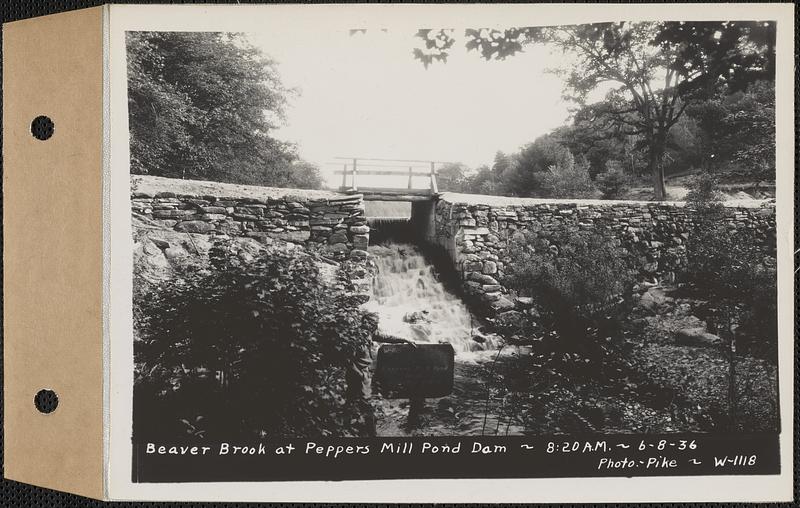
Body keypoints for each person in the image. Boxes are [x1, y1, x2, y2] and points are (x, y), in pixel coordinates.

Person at [345, 311, 415, 435]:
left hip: (361, 373)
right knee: (366, 402)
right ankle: (371, 434)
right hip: (359, 373)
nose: (376, 326)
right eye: (374, 323)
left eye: (376, 323)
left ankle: (346, 425)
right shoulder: (356, 336)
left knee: (351, 399)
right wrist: (360, 375)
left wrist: (404, 339)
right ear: (367, 323)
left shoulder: (369, 333)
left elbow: (386, 337)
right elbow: (348, 359)